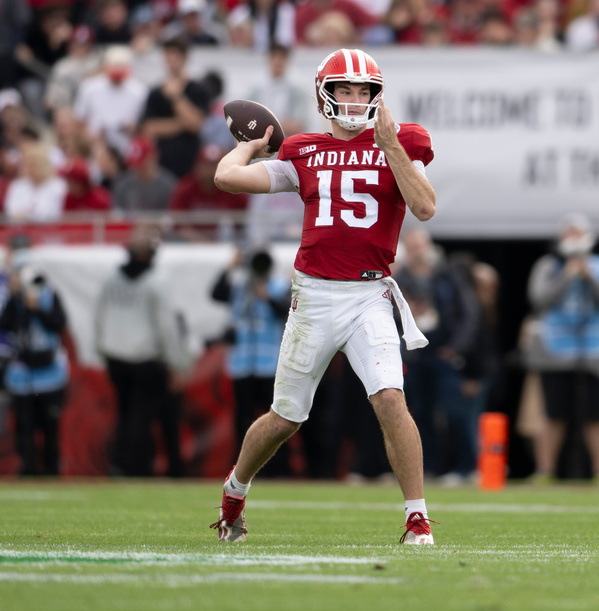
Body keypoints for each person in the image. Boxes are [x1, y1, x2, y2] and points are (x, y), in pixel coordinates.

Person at [211, 48, 437, 545]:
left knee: (390, 399)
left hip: (370, 294)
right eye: (345, 90)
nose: (355, 100)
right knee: (285, 417)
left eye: (364, 91)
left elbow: (424, 206)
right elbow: (226, 177)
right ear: (325, 95)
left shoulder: (405, 139)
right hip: (313, 296)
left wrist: (391, 145)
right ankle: (234, 491)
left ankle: (416, 518)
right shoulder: (304, 150)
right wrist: (254, 145)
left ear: (378, 97)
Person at [526, 214, 599, 484]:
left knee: (598, 412)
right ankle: (545, 471)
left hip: (596, 350)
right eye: (568, 234)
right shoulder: (548, 266)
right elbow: (538, 300)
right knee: (552, 412)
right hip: (554, 350)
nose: (572, 239)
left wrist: (591, 278)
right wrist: (565, 277)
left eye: (577, 233)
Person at [95, 228, 193, 477]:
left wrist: (101, 350)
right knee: (141, 416)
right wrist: (177, 363)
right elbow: (166, 327)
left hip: (115, 356)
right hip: (144, 359)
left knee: (125, 412)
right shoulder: (154, 282)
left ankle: (120, 463)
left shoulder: (110, 279)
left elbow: (98, 317)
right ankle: (135, 467)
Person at [394, 228, 481, 485]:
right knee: (421, 413)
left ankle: (466, 467)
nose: (417, 253)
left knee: (454, 411)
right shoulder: (400, 278)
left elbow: (468, 314)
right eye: (412, 248)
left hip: (444, 353)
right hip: (416, 355)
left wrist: (455, 348)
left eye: (419, 247)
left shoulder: (448, 275)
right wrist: (406, 312)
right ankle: (430, 467)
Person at [211, 248, 292, 476]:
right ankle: (242, 469)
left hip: (269, 365)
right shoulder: (239, 288)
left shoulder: (277, 287)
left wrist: (267, 296)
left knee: (275, 420)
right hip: (242, 364)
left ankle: (277, 469)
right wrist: (230, 267)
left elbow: (287, 311)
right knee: (242, 419)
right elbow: (215, 293)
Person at [0, 258, 68, 475]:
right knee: (24, 425)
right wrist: (16, 298)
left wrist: (37, 308)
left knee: (50, 425)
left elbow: (59, 324)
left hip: (49, 375)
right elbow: (6, 325)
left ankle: (52, 467)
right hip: (23, 376)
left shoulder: (49, 295)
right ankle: (27, 466)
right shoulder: (15, 300)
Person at [139, 36, 212, 178]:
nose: (171, 61)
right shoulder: (155, 93)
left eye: (175, 56)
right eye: (168, 56)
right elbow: (149, 128)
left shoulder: (199, 90)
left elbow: (197, 125)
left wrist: (176, 97)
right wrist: (183, 123)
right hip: (162, 165)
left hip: (191, 165)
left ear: (185, 58)